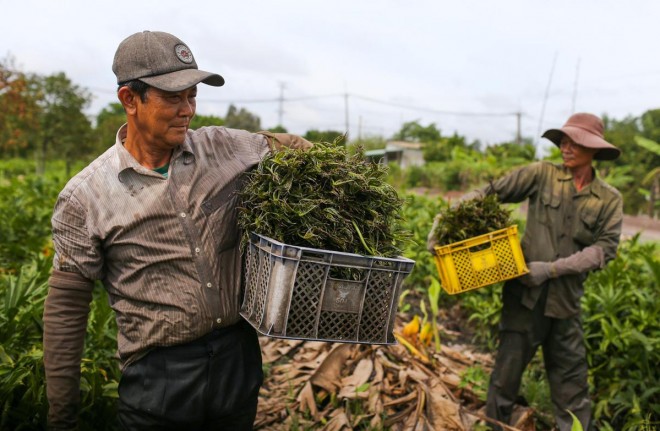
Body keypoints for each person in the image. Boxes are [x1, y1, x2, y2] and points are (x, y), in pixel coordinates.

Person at [42, 30, 312, 430]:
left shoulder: (225, 148)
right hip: (159, 379)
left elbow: (294, 147)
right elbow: (66, 312)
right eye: (173, 97)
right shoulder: (86, 198)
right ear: (130, 100)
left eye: (193, 95)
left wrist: (337, 174)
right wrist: (62, 417)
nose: (188, 109)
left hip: (237, 361)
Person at [428, 113, 623, 431]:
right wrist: (446, 217)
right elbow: (490, 191)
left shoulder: (608, 199)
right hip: (523, 299)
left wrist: (550, 269)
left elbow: (603, 250)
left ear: (594, 148)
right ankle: (495, 426)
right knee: (505, 379)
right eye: (563, 139)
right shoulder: (541, 174)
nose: (565, 146)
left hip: (565, 305)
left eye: (574, 141)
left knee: (572, 389)